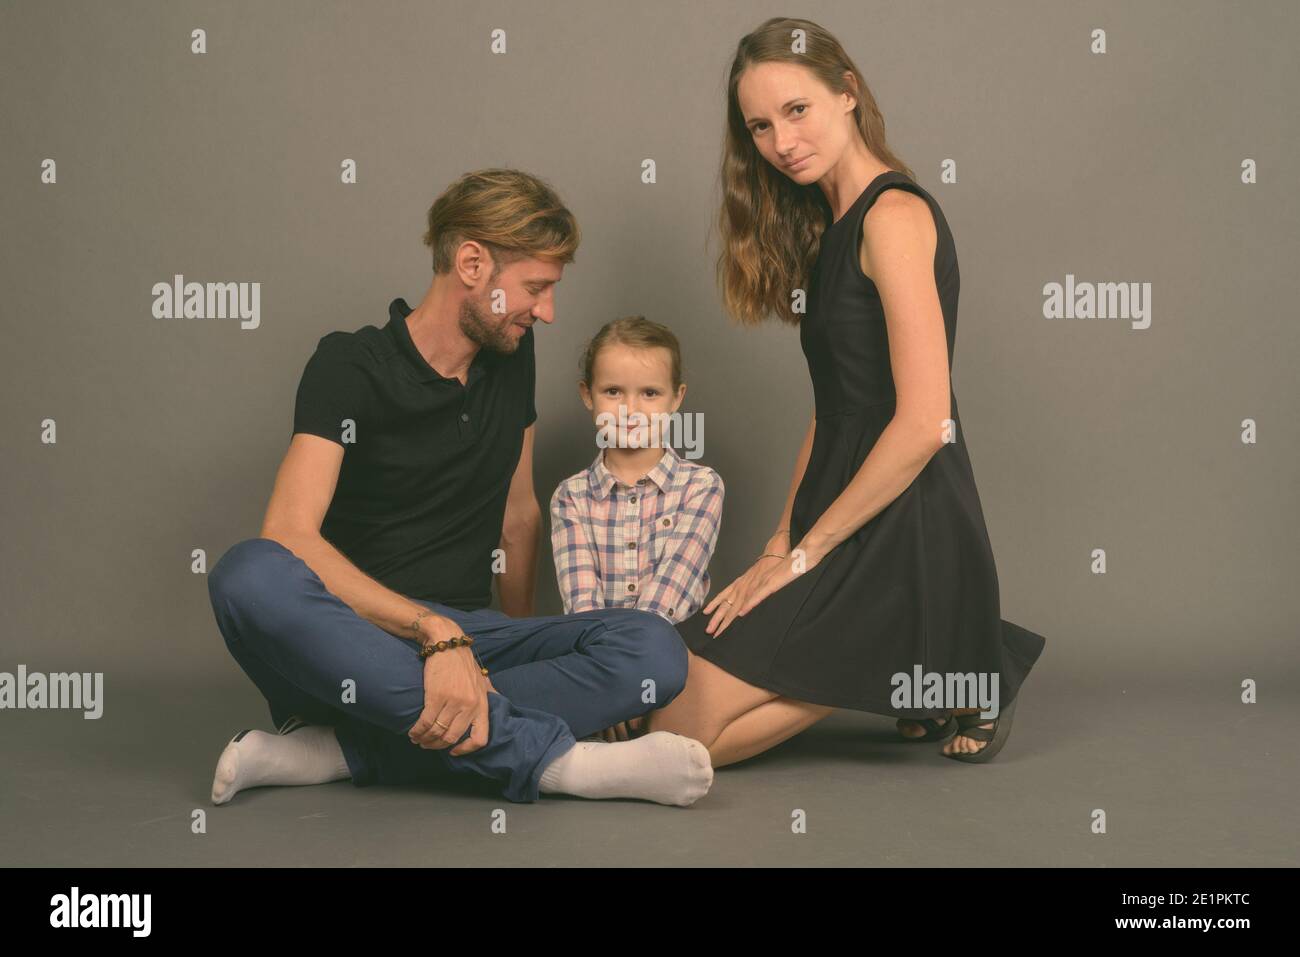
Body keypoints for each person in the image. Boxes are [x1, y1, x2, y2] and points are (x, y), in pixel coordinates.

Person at [207, 169, 713, 808]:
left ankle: (335, 750)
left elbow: (518, 515)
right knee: (247, 573)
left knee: (653, 648)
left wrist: (516, 649)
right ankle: (563, 764)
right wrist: (433, 633)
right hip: (353, 644)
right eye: (536, 288)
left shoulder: (511, 354)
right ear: (472, 263)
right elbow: (289, 533)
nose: (548, 311)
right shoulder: (349, 366)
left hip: (476, 642)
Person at [647, 17, 1048, 766]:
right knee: (661, 692)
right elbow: (833, 409)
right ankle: (935, 664)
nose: (781, 142)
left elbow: (927, 422)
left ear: (848, 94)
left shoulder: (894, 216)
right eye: (760, 126)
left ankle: (949, 660)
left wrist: (806, 555)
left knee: (676, 734)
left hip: (906, 516)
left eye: (796, 111)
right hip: (840, 503)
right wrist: (779, 540)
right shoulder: (829, 230)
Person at [550, 317, 725, 740]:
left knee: (691, 714)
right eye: (613, 392)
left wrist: (630, 682)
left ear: (676, 399)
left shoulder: (701, 487)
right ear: (586, 396)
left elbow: (671, 591)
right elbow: (583, 608)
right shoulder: (571, 496)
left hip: (677, 659)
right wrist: (612, 683)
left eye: (650, 393)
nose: (630, 410)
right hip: (598, 665)